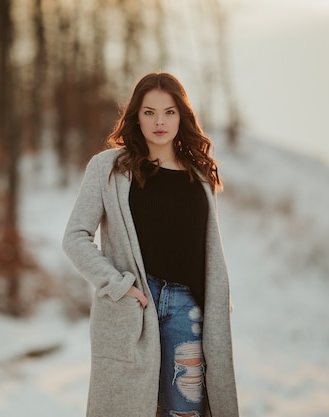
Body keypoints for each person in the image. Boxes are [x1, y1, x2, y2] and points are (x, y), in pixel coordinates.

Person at [62, 72, 238, 417]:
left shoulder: (199, 174)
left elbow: (207, 251)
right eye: (149, 112)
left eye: (169, 112)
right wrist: (118, 285)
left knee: (184, 411)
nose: (159, 121)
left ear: (182, 116)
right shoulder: (108, 168)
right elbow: (75, 238)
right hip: (135, 306)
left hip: (188, 310)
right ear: (135, 116)